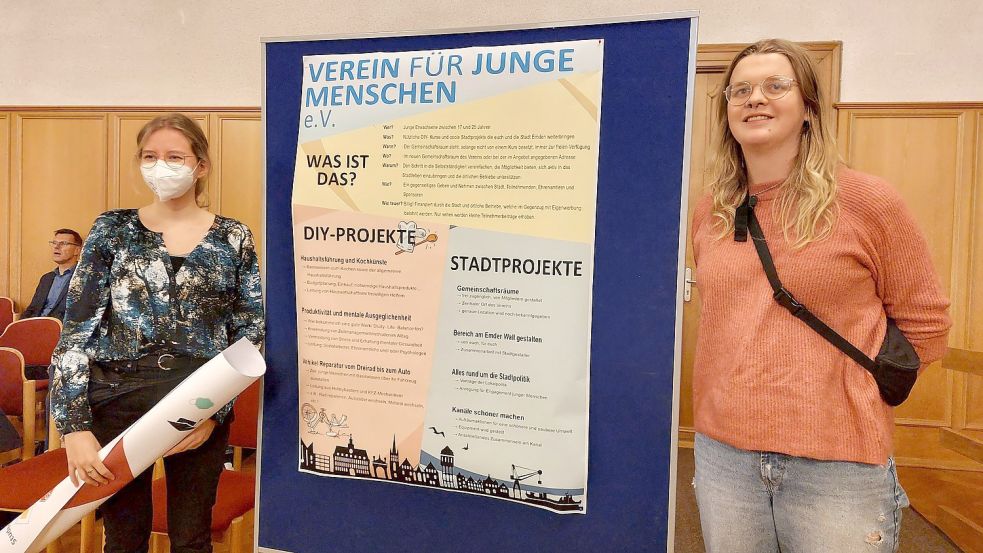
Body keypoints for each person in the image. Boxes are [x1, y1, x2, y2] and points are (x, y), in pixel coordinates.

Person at [690, 39, 951, 553]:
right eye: (739, 90)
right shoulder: (710, 212)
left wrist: (849, 397)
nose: (754, 98)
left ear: (808, 108)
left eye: (775, 85)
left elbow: (926, 323)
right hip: (725, 456)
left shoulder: (865, 201)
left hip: (838, 462)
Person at [50, 113, 264, 553]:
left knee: (190, 537)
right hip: (116, 400)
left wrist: (215, 412)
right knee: (124, 537)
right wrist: (73, 427)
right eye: (150, 156)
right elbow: (76, 331)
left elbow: (250, 332)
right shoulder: (112, 230)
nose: (161, 166)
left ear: (200, 165)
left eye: (174, 156)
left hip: (198, 401)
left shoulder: (233, 237)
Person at [20, 228, 83, 320]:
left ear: (77, 250)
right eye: (54, 243)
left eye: (63, 243)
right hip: (35, 327)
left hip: (60, 330)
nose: (56, 247)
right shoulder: (46, 278)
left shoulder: (84, 278)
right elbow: (32, 309)